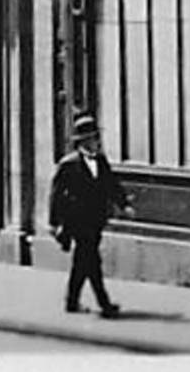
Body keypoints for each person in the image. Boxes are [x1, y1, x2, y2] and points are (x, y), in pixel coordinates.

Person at [49, 114, 130, 318]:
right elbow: (56, 195)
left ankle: (72, 301)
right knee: (92, 260)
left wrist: (124, 204)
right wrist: (54, 223)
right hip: (77, 220)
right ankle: (104, 304)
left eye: (97, 138)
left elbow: (111, 184)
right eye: (93, 138)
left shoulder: (100, 161)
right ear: (83, 141)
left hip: (96, 219)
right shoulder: (69, 164)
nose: (97, 142)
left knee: (83, 261)